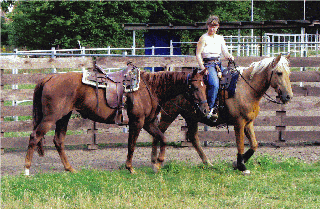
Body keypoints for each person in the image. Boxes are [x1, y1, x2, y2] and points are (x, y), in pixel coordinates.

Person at [196, 15, 234, 121]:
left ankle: (228, 107)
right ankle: (210, 109)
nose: (212, 28)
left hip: (219, 63)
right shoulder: (203, 38)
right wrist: (203, 68)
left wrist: (229, 56)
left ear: (218, 27)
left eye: (215, 26)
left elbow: (225, 52)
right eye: (210, 26)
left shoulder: (220, 38)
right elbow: (198, 54)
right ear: (207, 26)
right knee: (214, 84)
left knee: (232, 79)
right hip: (208, 64)